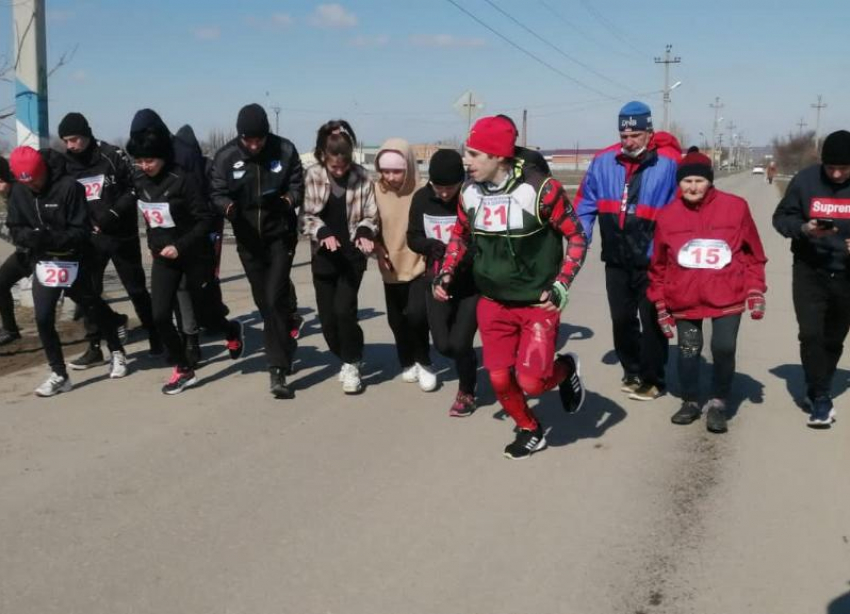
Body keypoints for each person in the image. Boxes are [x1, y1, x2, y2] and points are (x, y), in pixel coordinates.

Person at [434, 116, 587, 459]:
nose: (466, 161)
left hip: (536, 304)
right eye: (466, 153)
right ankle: (531, 429)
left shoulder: (541, 190)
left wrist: (561, 285)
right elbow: (460, 235)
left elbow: (577, 237)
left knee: (532, 382)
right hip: (492, 302)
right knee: (501, 379)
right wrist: (445, 272)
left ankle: (565, 370)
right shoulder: (469, 193)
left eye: (474, 154)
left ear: (497, 155)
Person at [648, 151, 767, 433]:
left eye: (699, 180)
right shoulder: (666, 216)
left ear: (709, 181)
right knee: (689, 350)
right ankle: (690, 400)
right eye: (687, 181)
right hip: (684, 297)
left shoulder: (736, 207)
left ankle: (718, 401)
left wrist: (755, 288)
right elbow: (658, 265)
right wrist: (660, 302)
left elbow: (754, 254)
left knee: (723, 347)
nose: (692, 187)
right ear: (679, 183)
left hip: (727, 294)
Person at [127, 118, 243, 395]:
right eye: (140, 161)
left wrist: (180, 245)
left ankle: (230, 331)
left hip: (193, 254)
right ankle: (183, 368)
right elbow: (150, 218)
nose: (145, 166)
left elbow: (204, 220)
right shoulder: (140, 182)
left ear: (163, 157)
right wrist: (153, 244)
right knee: (160, 316)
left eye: (150, 161)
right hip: (164, 258)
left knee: (207, 315)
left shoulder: (183, 180)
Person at [575, 101, 681, 400]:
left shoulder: (669, 162)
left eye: (635, 135)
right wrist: (579, 238)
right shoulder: (603, 161)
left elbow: (681, 212)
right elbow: (584, 204)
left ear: (649, 132)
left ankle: (654, 379)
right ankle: (632, 370)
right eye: (624, 135)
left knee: (651, 321)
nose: (629, 141)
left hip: (653, 262)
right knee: (622, 319)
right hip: (616, 259)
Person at [5, 146, 128, 395]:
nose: (33, 187)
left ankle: (116, 350)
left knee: (93, 308)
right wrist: (29, 238)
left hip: (75, 260)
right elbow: (15, 226)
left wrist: (48, 238)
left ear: (44, 172)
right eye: (26, 183)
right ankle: (59, 374)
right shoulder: (19, 191)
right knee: (43, 317)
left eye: (37, 180)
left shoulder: (69, 187)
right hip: (43, 262)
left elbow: (80, 232)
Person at [210, 103, 304, 399]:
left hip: (280, 237)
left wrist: (286, 201)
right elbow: (215, 191)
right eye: (247, 140)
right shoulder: (226, 156)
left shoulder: (285, 150)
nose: (253, 145)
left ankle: (277, 370)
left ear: (267, 135)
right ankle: (286, 335)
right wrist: (229, 208)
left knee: (275, 296)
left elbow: (298, 185)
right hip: (248, 239)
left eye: (258, 140)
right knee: (264, 301)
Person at [54, 112, 160, 369]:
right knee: (90, 294)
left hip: (121, 235)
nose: (70, 145)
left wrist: (113, 214)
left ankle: (157, 337)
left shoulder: (112, 155)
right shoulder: (66, 164)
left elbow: (135, 187)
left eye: (74, 139)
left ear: (87, 134)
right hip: (89, 240)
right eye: (66, 141)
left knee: (136, 289)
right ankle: (94, 346)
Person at [773, 129, 850, 428]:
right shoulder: (805, 181)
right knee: (810, 333)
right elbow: (781, 218)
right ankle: (820, 398)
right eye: (831, 167)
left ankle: (817, 383)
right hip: (810, 269)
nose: (837, 173)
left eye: (844, 168)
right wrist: (805, 229)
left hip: (846, 275)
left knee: (833, 337)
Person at [301, 120, 377, 394]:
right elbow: (307, 215)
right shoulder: (313, 175)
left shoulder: (363, 177)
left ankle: (352, 362)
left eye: (344, 166)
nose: (340, 171)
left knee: (345, 311)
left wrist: (366, 232)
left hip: (352, 257)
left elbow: (371, 214)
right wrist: (322, 232)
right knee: (328, 322)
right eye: (335, 167)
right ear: (324, 157)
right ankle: (346, 352)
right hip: (324, 257)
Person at [408, 149, 479, 416]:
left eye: (451, 187)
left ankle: (467, 391)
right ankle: (467, 360)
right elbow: (412, 237)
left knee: (460, 344)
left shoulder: (472, 199)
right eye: (439, 187)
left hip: (469, 284)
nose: (445, 193)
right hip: (435, 281)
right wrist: (431, 246)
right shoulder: (421, 199)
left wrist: (459, 256)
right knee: (443, 345)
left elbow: (481, 241)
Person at [373, 138, 437, 392]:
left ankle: (424, 361)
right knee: (396, 320)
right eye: (385, 171)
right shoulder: (375, 190)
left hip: (418, 263)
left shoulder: (422, 190)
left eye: (397, 170)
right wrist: (377, 248)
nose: (391, 177)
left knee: (417, 315)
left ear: (409, 167)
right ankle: (406, 360)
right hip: (389, 264)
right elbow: (369, 223)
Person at [0, 154, 27, 346]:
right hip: (25, 253)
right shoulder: (7, 195)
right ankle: (10, 330)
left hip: (43, 252)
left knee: (76, 292)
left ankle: (111, 321)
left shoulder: (20, 193)